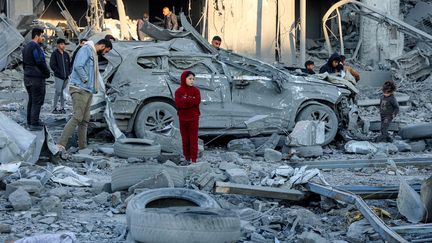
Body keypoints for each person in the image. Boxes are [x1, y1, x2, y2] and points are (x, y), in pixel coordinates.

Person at [57, 39, 112, 151]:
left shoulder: (92, 52)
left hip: (87, 90)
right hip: (80, 88)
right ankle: (61, 144)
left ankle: (83, 147)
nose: (105, 53)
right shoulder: (86, 49)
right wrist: (86, 79)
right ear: (102, 46)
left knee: (85, 120)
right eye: (106, 50)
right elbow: (78, 66)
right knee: (77, 116)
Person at [22, 27, 50, 130]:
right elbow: (40, 62)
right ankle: (34, 123)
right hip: (36, 79)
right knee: (37, 101)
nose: (43, 38)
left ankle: (30, 121)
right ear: (37, 36)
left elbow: (24, 63)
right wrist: (47, 73)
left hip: (27, 77)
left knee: (31, 100)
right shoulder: (36, 47)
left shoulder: (26, 47)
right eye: (42, 36)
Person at [175, 70, 201, 163]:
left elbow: (197, 101)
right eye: (190, 79)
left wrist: (186, 100)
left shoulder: (196, 91)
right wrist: (190, 100)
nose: (192, 81)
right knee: (185, 140)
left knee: (193, 140)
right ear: (184, 79)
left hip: (194, 118)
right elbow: (179, 104)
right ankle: (187, 158)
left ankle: (194, 159)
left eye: (193, 79)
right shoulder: (178, 91)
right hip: (183, 119)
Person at [50, 38, 71, 114]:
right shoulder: (55, 54)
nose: (63, 45)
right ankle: (54, 108)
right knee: (58, 92)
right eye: (61, 44)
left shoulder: (66, 54)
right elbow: (52, 65)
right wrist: (58, 72)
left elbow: (69, 65)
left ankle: (62, 107)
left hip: (66, 77)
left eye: (64, 44)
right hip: (59, 77)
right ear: (58, 45)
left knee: (62, 92)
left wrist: (68, 73)